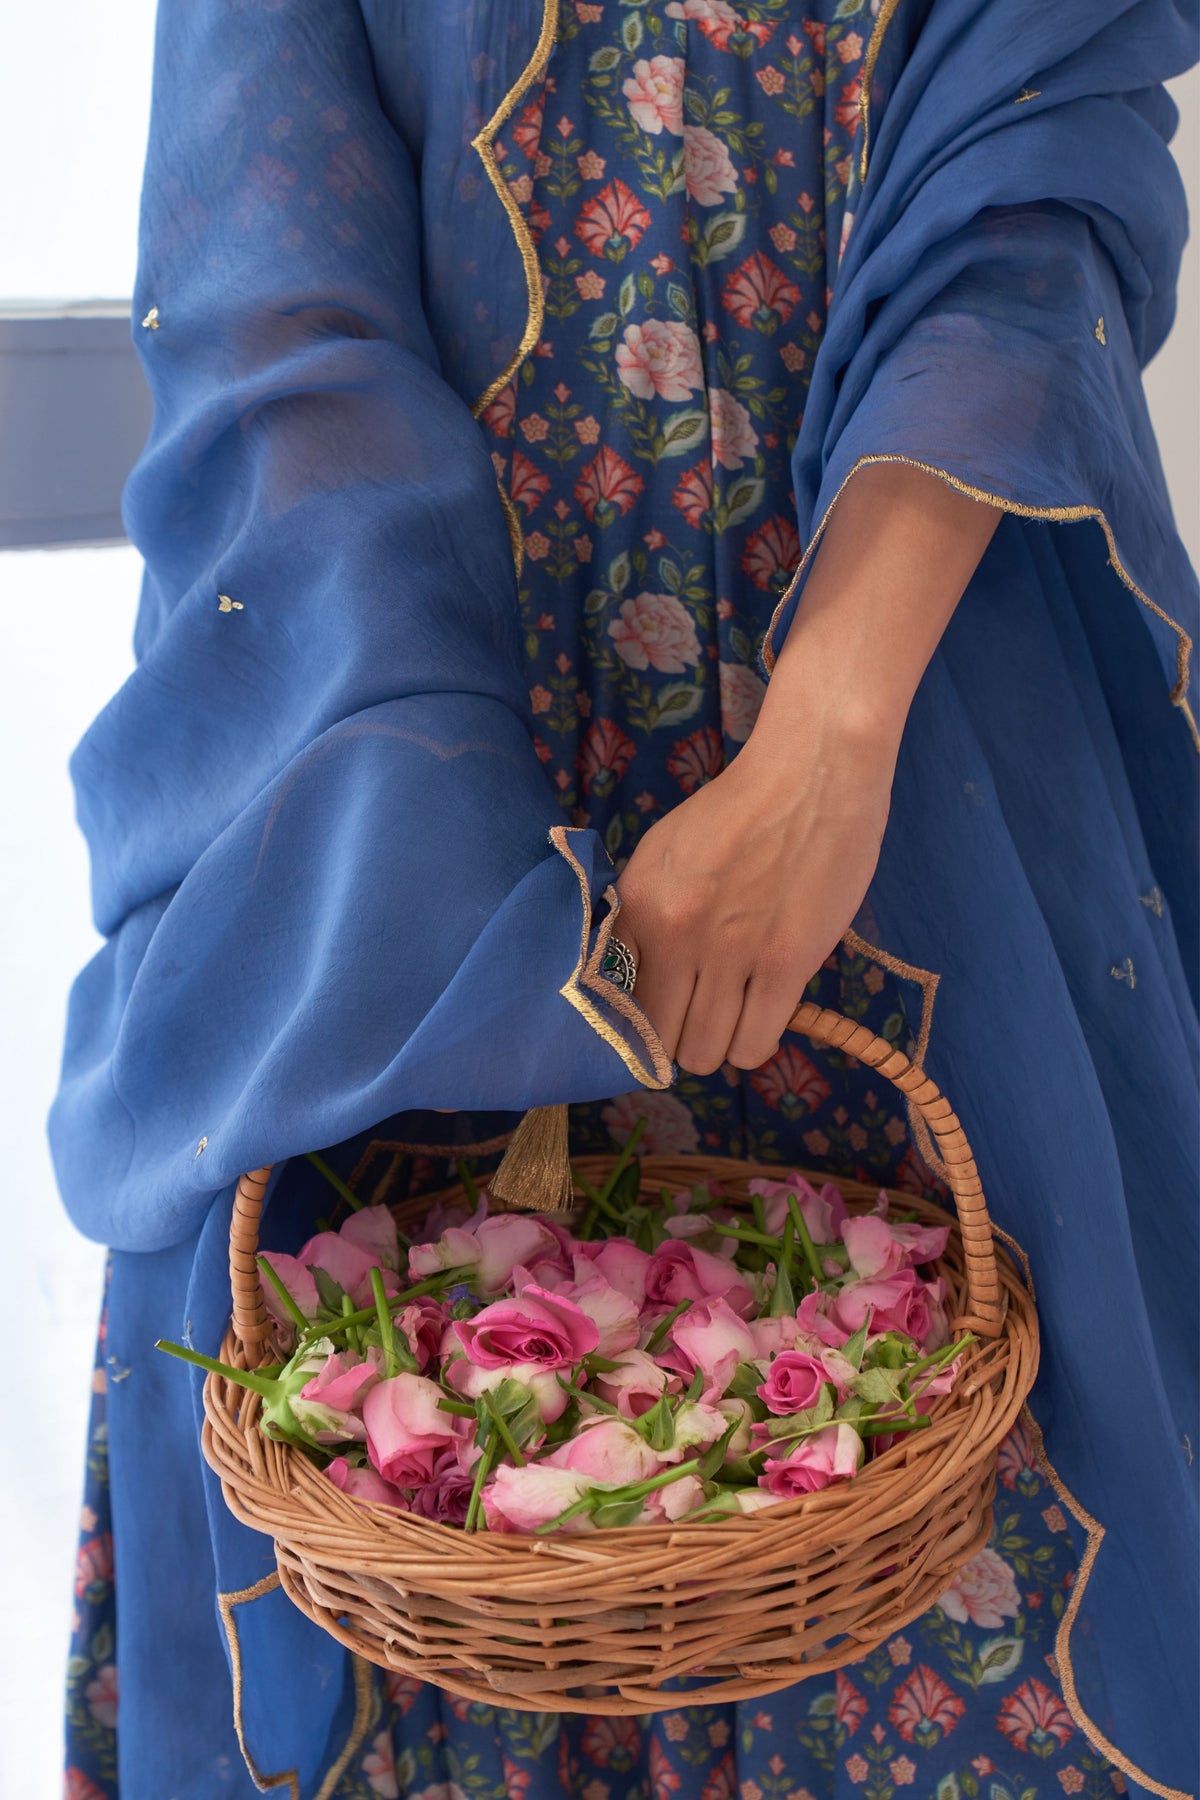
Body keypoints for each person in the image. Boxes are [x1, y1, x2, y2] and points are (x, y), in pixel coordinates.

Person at [54, 1, 1198, 1796]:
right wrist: (483, 938)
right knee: (392, 1563)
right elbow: (274, 292)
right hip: (396, 845)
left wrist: (831, 730)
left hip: (935, 775)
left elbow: (1038, 148)